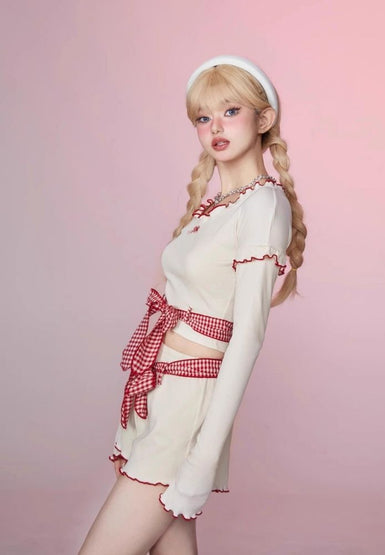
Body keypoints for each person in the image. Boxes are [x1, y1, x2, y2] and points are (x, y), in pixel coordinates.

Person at [78, 54, 307, 555]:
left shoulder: (263, 206)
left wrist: (202, 463)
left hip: (187, 406)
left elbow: (247, 337)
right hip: (156, 392)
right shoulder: (216, 207)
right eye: (204, 117)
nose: (215, 127)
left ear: (264, 120)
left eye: (231, 111)